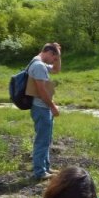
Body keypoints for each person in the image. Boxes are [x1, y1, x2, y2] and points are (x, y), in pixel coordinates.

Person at [28, 42, 62, 181]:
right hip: (41, 108)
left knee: (46, 139)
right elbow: (41, 90)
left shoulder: (40, 63)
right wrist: (53, 106)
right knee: (42, 140)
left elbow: (56, 70)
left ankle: (45, 167)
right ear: (48, 53)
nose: (54, 61)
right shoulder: (39, 66)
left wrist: (59, 55)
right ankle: (40, 172)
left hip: (43, 107)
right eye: (53, 58)